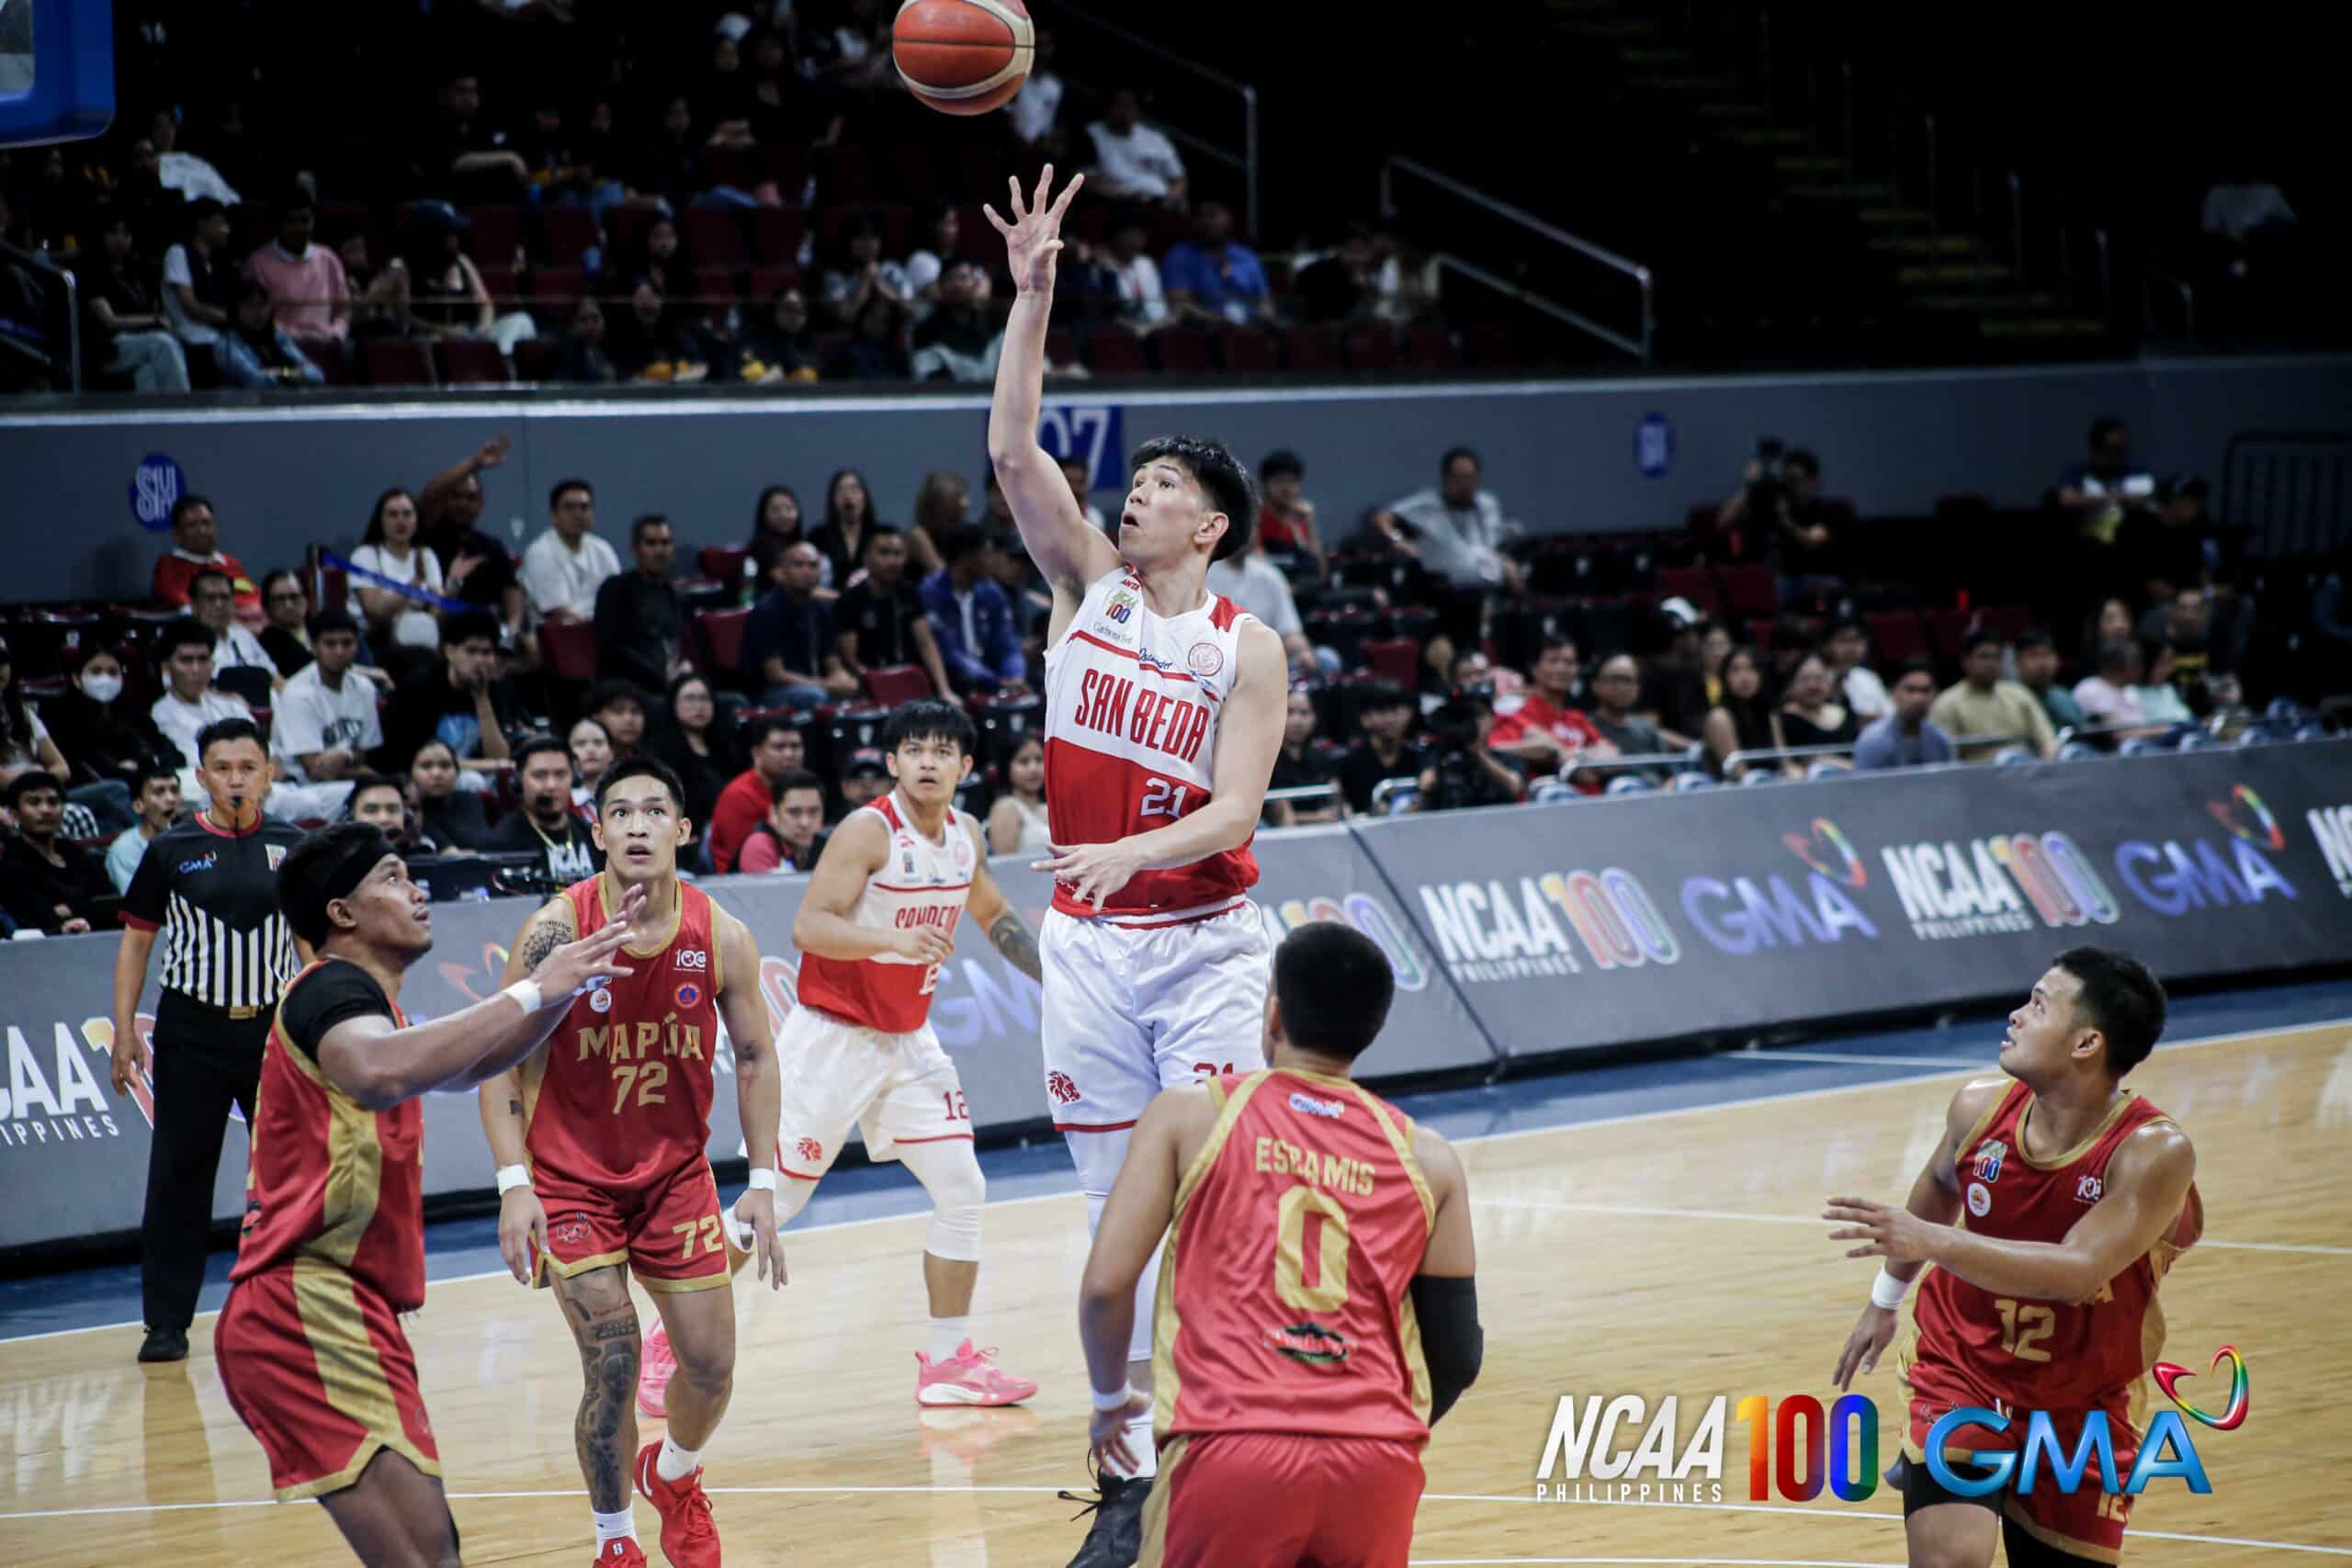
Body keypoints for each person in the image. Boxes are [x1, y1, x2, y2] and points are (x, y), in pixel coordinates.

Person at [987, 164, 1289, 1562]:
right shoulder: (1083, 590)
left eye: (1159, 487)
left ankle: (1234, 1424)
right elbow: (1010, 453)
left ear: (1209, 523)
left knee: (1217, 1192)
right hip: (1095, 958)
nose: (1135, 496)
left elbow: (1235, 815)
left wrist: (1121, 847)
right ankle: (1124, 1467)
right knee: (1115, 1225)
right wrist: (1030, 295)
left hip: (1209, 946)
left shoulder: (1246, 643)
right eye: (1136, 482)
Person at [214, 820, 639, 1565]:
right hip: (301, 1307)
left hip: (351, 1308)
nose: (418, 891)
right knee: (421, 1559)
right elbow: (381, 1070)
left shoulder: (374, 1008)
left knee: (433, 1553)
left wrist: (565, 992)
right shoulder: (330, 991)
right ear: (341, 913)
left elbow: (466, 1065)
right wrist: (535, 987)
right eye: (392, 877)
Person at [640, 700, 1044, 1419]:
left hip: (908, 1041)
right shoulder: (868, 830)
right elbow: (809, 925)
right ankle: (663, 1345)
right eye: (912, 748)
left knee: (963, 1186)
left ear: (966, 767)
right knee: (780, 1202)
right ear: (891, 762)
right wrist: (890, 940)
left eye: (941, 750)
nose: (926, 760)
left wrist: (1056, 978)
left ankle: (948, 1361)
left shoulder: (965, 836)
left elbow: (989, 912)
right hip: (833, 1037)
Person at [1077, 922, 1481, 1568]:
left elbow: (1104, 1286)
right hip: (1376, 1466)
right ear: (1369, 1031)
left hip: (1232, 1449)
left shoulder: (1191, 1114)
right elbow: (1458, 1353)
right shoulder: (1428, 1158)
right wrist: (1363, 1424)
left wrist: (1107, 1402)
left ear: (1271, 1015)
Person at [477, 756, 786, 1568]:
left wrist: (761, 1183)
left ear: (684, 830)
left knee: (712, 1367)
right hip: (570, 1180)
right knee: (612, 1359)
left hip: (675, 1177)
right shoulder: (556, 928)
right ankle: (616, 1544)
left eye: (656, 812)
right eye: (622, 813)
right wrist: (514, 1187)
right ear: (599, 832)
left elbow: (755, 1055)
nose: (639, 826)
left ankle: (674, 1474)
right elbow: (499, 1061)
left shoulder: (721, 934)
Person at [1827, 949, 2200, 1568]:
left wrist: (1932, 1240)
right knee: (1951, 1559)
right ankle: (1941, 1460)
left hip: (2084, 1398)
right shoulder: (1977, 1108)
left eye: (2038, 1004)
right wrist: (1885, 1300)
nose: (2016, 1014)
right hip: (1963, 1367)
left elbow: (2078, 1270)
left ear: (2086, 1042)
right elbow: (1941, 1187)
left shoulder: (2152, 1151)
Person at [108, 717, 307, 1362]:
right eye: (222, 767)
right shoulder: (171, 848)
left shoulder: (294, 845)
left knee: (289, 1174)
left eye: (247, 766)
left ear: (269, 773)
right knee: (178, 1174)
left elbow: (310, 945)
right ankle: (166, 1322)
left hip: (273, 1031)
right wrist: (122, 1030)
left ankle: (296, 1307)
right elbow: (136, 941)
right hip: (191, 1029)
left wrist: (319, 1020)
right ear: (202, 776)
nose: (235, 778)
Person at [419, 434, 527, 645]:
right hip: (445, 631)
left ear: (481, 504)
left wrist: (511, 632)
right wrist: (474, 463)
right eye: (456, 496)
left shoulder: (491, 546)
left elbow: (511, 591)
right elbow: (430, 496)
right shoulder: (428, 536)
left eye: (470, 498)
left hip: (488, 632)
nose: (463, 504)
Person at [383, 612, 521, 774]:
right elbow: (418, 761)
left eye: (486, 653)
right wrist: (489, 766)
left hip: (478, 775)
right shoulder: (420, 689)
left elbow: (499, 757)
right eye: (471, 651)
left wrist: (482, 699)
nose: (479, 660)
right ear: (449, 652)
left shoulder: (494, 689)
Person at [77, 205, 192, 392]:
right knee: (162, 344)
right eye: (113, 233)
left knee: (146, 371)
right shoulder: (90, 272)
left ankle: (156, 419)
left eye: (126, 234)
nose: (120, 240)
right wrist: (155, 320)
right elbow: (109, 321)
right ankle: (184, 410)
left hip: (139, 342)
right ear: (101, 236)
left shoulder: (138, 272)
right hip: (108, 347)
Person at [835, 526, 956, 699]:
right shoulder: (850, 599)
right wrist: (879, 683)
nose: (892, 561)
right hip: (872, 682)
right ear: (867, 558)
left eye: (898, 553)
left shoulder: (909, 592)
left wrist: (945, 690)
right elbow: (851, 660)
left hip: (909, 676)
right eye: (884, 553)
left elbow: (926, 643)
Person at [46, 643, 179, 795]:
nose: (105, 679)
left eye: (112, 672)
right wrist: (123, 769)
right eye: (96, 672)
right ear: (77, 679)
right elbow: (84, 767)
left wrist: (141, 764)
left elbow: (172, 753)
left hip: (140, 787)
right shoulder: (61, 716)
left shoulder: (133, 713)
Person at [271, 610, 382, 790]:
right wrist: (355, 763)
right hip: (301, 788)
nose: (339, 651)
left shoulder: (365, 688)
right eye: (330, 644)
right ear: (314, 647)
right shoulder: (297, 693)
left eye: (347, 643)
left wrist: (346, 759)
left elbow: (363, 754)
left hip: (347, 782)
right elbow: (315, 770)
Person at [744, 540, 857, 712]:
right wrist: (830, 685)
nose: (807, 571)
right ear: (781, 572)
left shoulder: (821, 609)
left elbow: (832, 661)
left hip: (814, 685)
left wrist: (843, 679)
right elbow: (776, 676)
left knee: (860, 687)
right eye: (798, 565)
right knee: (815, 696)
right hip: (771, 693)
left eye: (813, 565)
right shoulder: (766, 611)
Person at [1205, 532, 1334, 682]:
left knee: (1327, 660)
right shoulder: (1205, 574)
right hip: (1221, 659)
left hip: (1268, 656)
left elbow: (1289, 631)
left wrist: (1303, 652)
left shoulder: (1269, 575)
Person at [1, 772, 113, 933]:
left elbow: (108, 905)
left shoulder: (77, 853)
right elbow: (37, 918)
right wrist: (84, 907)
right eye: (34, 802)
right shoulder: (11, 864)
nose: (46, 810)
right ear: (14, 814)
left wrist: (67, 909)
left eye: (53, 802)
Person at [921, 525, 1029, 693]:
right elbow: (950, 653)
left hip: (994, 683)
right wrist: (995, 681)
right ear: (967, 557)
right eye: (987, 553)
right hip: (952, 686)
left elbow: (1008, 645)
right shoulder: (931, 591)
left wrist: (1015, 676)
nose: (992, 560)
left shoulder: (992, 593)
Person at [488, 735, 602, 883]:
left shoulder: (591, 835)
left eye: (560, 775)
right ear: (518, 780)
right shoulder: (501, 843)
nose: (551, 785)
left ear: (573, 779)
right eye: (540, 775)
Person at [1930, 632, 2059, 761]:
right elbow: (1944, 758)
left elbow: (2047, 741)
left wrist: (2045, 769)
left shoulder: (2019, 694)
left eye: (1997, 657)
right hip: (1975, 777)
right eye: (1984, 657)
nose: (1991, 664)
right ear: (1966, 661)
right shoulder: (1947, 703)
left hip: (2024, 773)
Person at [707, 715, 809, 874]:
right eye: (779, 747)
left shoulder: (806, 791)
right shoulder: (738, 796)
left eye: (795, 746)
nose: (789, 754)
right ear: (757, 753)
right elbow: (749, 856)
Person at [649, 671, 740, 851]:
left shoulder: (727, 748)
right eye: (690, 699)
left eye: (705, 699)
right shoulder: (661, 753)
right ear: (674, 705)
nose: (698, 706)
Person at [350, 487, 448, 654]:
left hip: (420, 642)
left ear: (416, 519)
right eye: (393, 514)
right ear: (380, 520)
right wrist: (414, 584)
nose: (401, 521)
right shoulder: (365, 556)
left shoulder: (426, 555)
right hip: (376, 643)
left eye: (407, 514)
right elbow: (375, 611)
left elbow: (437, 603)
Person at [244, 192, 351, 342]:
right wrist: (295, 337)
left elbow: (344, 309)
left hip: (329, 343)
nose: (300, 228)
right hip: (280, 345)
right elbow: (255, 317)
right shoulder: (257, 263)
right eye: (292, 222)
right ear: (278, 223)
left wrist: (336, 333)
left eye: (305, 220)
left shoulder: (328, 258)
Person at [1487, 639, 1607, 772]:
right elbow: (1492, 750)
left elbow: (1610, 752)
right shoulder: (1514, 716)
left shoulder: (1577, 719)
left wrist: (1566, 753)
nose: (1562, 669)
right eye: (1553, 661)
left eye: (1569, 662)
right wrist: (1542, 748)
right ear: (1535, 669)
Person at [521, 478, 620, 625]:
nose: (578, 515)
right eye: (569, 508)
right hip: (558, 635)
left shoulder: (603, 549)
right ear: (554, 515)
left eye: (584, 507)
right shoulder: (540, 552)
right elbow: (558, 613)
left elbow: (618, 599)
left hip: (600, 631)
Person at [1413, 685, 1528, 812]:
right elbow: (1410, 817)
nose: (1474, 722)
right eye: (1464, 716)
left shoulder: (1505, 757)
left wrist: (1477, 753)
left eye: (1478, 715)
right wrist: (1423, 791)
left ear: (1493, 719)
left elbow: (1514, 787)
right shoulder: (1434, 758)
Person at [1161, 201, 1274, 327]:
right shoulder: (1179, 256)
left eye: (1212, 215)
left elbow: (1265, 302)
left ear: (1228, 218)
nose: (1207, 222)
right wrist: (1222, 322)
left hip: (1249, 331)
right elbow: (1180, 306)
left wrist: (1262, 319)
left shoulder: (1247, 257)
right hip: (1204, 333)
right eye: (1201, 216)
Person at [152, 493, 261, 616]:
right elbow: (189, 606)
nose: (202, 531)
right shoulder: (168, 565)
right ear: (176, 534)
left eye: (206, 523)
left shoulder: (229, 562)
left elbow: (256, 597)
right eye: (192, 525)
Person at [2054, 417, 2157, 548]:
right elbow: (2067, 500)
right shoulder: (2078, 474)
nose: (2116, 456)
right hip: (2088, 542)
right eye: (2111, 449)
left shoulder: (2137, 475)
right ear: (2094, 449)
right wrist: (2118, 497)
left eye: (2121, 449)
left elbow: (2151, 503)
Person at [1337, 682, 1430, 815]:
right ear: (1365, 718)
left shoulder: (1419, 758)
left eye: (1395, 710)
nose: (1391, 719)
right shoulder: (1349, 764)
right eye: (1382, 711)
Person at [217, 278, 327, 388]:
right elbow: (254, 381)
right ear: (237, 310)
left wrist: (281, 373)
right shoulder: (227, 344)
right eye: (250, 306)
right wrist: (292, 374)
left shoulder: (279, 338)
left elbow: (316, 375)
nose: (258, 313)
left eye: (262, 305)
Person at [1084, 88, 1187, 206]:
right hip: (1114, 203)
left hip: (1159, 204)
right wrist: (1125, 195)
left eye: (1128, 105)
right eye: (1119, 105)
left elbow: (1179, 180)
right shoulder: (1091, 135)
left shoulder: (1155, 139)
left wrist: (1168, 200)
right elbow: (1087, 181)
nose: (1123, 111)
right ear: (1108, 106)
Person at [187, 568, 280, 691]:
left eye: (225, 597)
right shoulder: (185, 643)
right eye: (210, 598)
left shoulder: (243, 635)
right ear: (194, 605)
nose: (219, 604)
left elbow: (274, 677)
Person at [1851, 662, 1956, 772]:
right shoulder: (1872, 741)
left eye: (1925, 690)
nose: (1918, 699)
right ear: (1893, 692)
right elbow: (1865, 787)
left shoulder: (1940, 739)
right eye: (1910, 690)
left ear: (1935, 694)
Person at [1702, 645, 1785, 780]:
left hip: (1772, 786)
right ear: (1725, 678)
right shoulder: (1719, 717)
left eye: (1751, 669)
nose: (1745, 677)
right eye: (1736, 670)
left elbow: (1785, 763)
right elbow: (1739, 775)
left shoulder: (1770, 715)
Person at [1263, 689, 1342, 826]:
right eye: (1290, 712)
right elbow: (1283, 819)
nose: (1297, 721)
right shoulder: (1267, 760)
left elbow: (1339, 802)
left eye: (1304, 713)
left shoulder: (1322, 757)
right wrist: (1317, 818)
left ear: (1314, 718)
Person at [106, 763, 184, 894]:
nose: (170, 799)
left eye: (175, 790)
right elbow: (137, 904)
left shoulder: (193, 837)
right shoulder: (125, 850)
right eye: (159, 792)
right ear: (138, 806)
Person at [735, 767, 829, 874]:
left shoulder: (827, 845)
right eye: (794, 812)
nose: (805, 822)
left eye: (813, 812)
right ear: (774, 814)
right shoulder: (758, 846)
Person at [409, 739, 493, 851]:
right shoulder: (407, 811)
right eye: (426, 766)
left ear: (457, 772)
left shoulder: (471, 801)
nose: (437, 774)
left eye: (445, 766)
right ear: (411, 772)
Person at [1776, 652, 1861, 760]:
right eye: (1805, 679)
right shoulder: (1784, 718)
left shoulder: (1844, 712)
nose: (1813, 686)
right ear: (1791, 684)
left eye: (1819, 678)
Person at [1254, 450, 1325, 579]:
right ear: (1265, 485)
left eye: (1292, 481)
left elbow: (1320, 574)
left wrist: (1310, 526)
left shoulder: (1302, 521)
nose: (1287, 488)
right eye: (1279, 481)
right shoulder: (1256, 519)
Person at [808, 468, 879, 593]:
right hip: (829, 602)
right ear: (833, 499)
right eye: (841, 490)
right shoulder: (818, 535)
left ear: (865, 496)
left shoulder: (880, 534)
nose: (848, 496)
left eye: (854, 489)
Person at [987, 734, 1053, 852]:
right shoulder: (1006, 808)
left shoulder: (1049, 809)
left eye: (1039, 760)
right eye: (1024, 762)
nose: (1033, 768)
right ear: (1007, 767)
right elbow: (1006, 865)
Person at [2015, 629, 2086, 733]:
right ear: (2018, 662)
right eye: (2033, 655)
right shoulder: (2009, 699)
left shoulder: (2064, 697)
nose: (2042, 663)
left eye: (2046, 655)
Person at [1824, 617, 1891, 722]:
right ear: (1828, 645)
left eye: (1856, 640)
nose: (1850, 647)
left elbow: (1890, 716)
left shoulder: (1870, 677)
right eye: (1843, 640)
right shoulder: (1818, 677)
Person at [256, 570, 321, 676]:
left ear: (306, 600)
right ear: (266, 606)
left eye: (294, 597)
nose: (288, 605)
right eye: (280, 599)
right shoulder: (265, 645)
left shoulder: (321, 631)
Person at [744, 484, 807, 585]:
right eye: (775, 510)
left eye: (789, 509)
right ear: (764, 515)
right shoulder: (762, 544)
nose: (783, 515)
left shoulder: (800, 544)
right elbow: (787, 582)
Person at [570, 716, 615, 814]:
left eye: (598, 743)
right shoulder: (562, 803)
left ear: (612, 752)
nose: (590, 749)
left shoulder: (625, 796)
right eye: (581, 743)